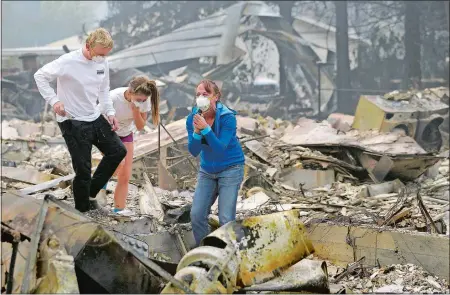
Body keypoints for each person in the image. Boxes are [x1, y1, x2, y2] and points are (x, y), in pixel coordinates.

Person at [34, 28, 127, 213]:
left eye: (105, 54)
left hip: (94, 116)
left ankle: (90, 192)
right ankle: (82, 211)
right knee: (83, 170)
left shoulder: (102, 63)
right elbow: (40, 76)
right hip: (72, 120)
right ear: (88, 46)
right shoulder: (67, 62)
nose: (102, 57)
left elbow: (104, 90)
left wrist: (110, 112)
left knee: (117, 151)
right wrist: (54, 101)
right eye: (99, 53)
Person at [186, 79, 245, 245]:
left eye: (206, 94)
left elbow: (220, 148)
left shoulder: (227, 117)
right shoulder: (193, 118)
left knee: (225, 218)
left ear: (216, 97)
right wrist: (197, 132)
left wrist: (206, 129)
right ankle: (205, 251)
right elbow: (194, 150)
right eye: (198, 95)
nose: (201, 98)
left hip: (231, 168)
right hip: (207, 171)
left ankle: (229, 254)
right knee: (196, 215)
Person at [96, 76, 160, 216]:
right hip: (106, 132)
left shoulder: (143, 101)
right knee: (118, 163)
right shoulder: (113, 97)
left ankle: (119, 209)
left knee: (125, 173)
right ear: (130, 92)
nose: (141, 101)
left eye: (143, 100)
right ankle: (99, 188)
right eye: (138, 99)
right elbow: (96, 118)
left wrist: (136, 110)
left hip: (126, 133)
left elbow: (140, 125)